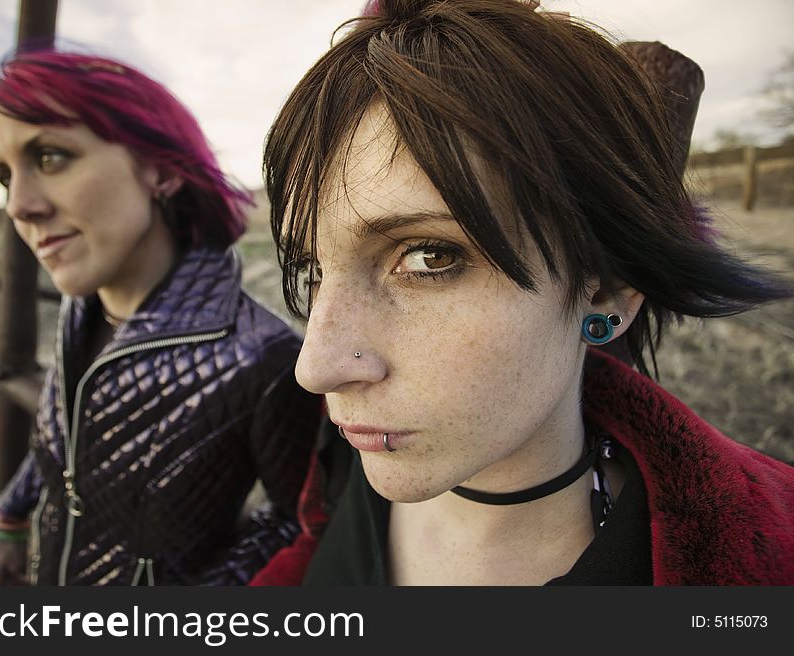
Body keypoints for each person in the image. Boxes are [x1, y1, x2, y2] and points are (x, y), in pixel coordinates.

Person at [250, 0, 794, 585]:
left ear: (607, 290)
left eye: (429, 257)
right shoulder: (343, 463)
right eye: (312, 271)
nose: (318, 367)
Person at [0, 48, 320, 585]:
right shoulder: (80, 311)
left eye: (49, 157)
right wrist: (6, 517)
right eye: (5, 175)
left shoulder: (264, 356)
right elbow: (67, 438)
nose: (18, 205)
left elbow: (297, 523)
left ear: (159, 168)